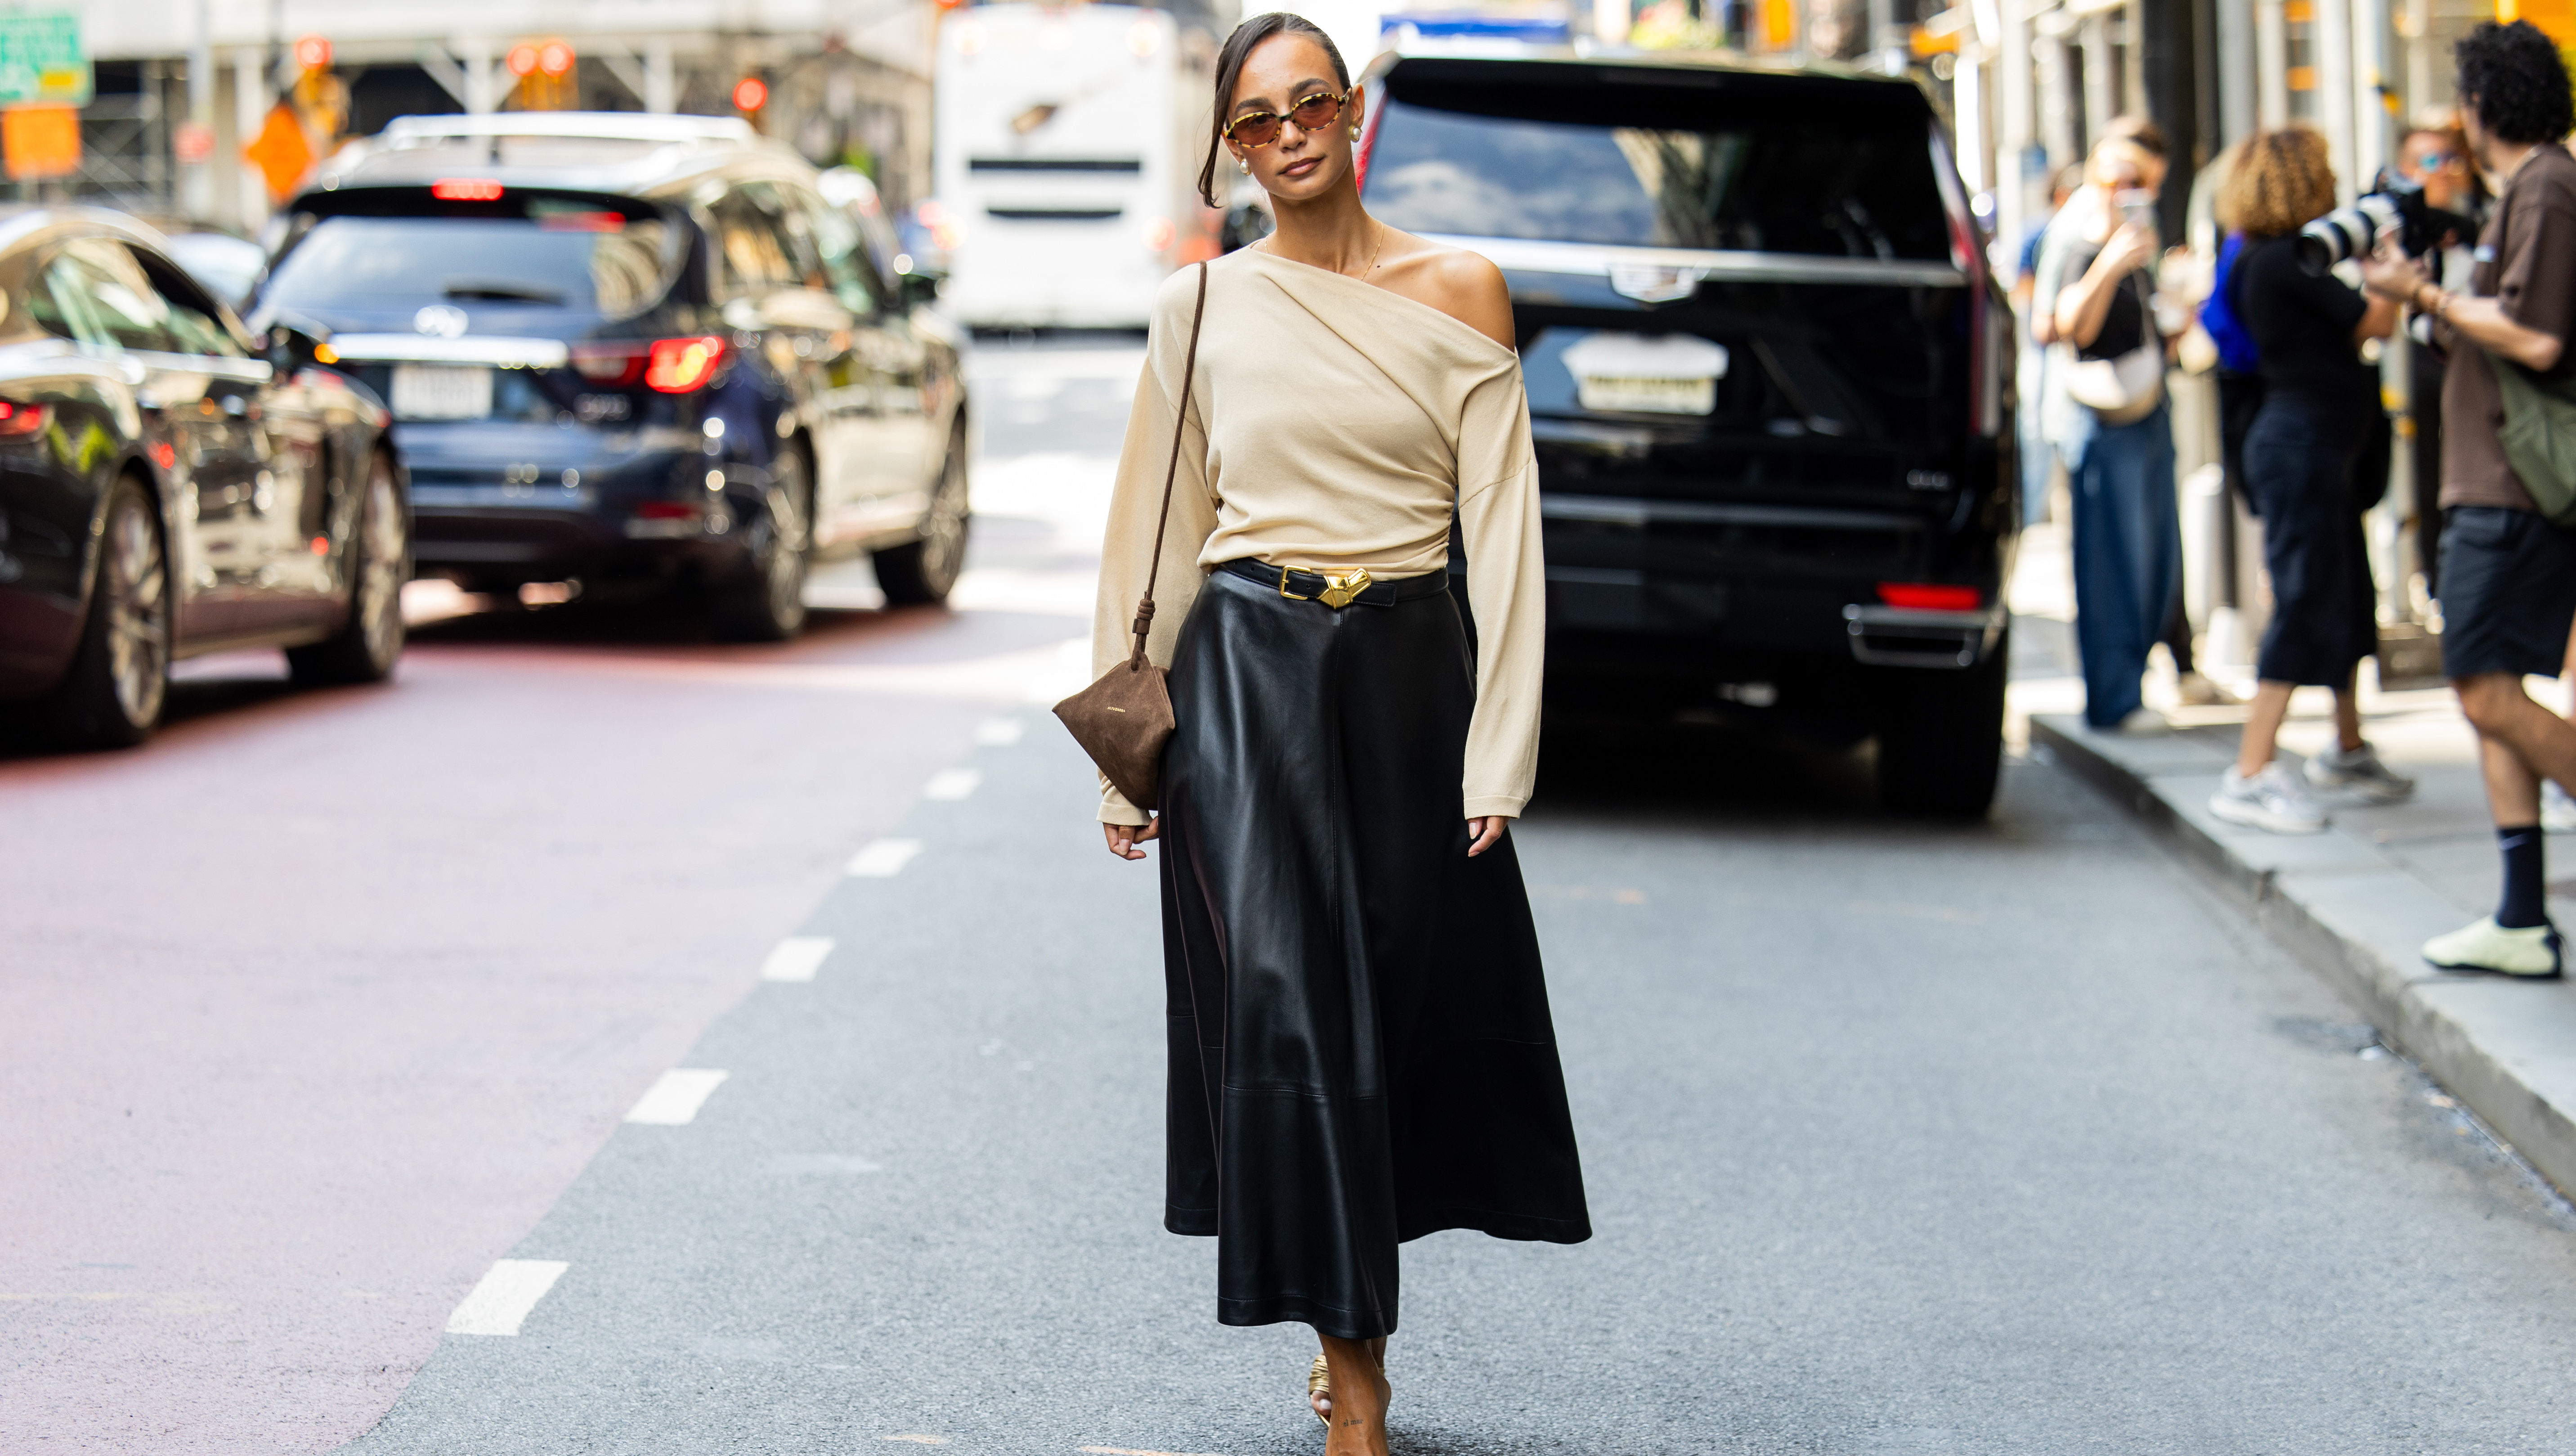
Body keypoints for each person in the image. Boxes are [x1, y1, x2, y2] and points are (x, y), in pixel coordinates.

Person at [1088, 14, 1591, 1449]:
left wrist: (1502, 745)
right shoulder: (1198, 312)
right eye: (1257, 119)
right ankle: (1353, 1385)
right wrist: (1127, 760)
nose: (1291, 133)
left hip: (1409, 670)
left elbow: (1503, 538)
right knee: (1287, 1003)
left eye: (1312, 103)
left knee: (1385, 1004)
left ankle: (1352, 1317)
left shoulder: (1461, 290)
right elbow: (1158, 532)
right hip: (1244, 671)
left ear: (1352, 110)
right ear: (1229, 149)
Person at [2361, 18, 2576, 977]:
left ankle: (2521, 914)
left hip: (2514, 486)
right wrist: (2429, 302)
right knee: (2490, 692)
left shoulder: (2546, 186)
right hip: (2493, 477)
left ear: (2483, 104)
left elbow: (2533, 337)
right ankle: (2520, 919)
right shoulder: (2522, 192)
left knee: (2481, 684)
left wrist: (2426, 294)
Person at [2205, 128, 2414, 833]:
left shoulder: (2260, 259)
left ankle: (2346, 745)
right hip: (2301, 449)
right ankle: (2249, 770)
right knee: (2301, 601)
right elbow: (2371, 324)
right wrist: (2393, 269)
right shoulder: (2282, 262)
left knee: (2345, 594)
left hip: (2313, 448)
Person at [2034, 122, 2184, 733]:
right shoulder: (2077, 234)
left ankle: (2131, 683)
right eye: (2117, 179)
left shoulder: (2136, 235)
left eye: (2141, 182)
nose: (2128, 191)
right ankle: (2111, 695)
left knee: (2151, 559)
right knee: (2110, 560)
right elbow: (2054, 324)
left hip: (2144, 407)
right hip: (2096, 417)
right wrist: (2106, 264)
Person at [2395, 111, 2486, 599]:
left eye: (2454, 158)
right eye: (2431, 160)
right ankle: (2439, 585)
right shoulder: (2396, 230)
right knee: (2429, 473)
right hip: (2422, 361)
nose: (2445, 170)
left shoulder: (2487, 221)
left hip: (2483, 366)